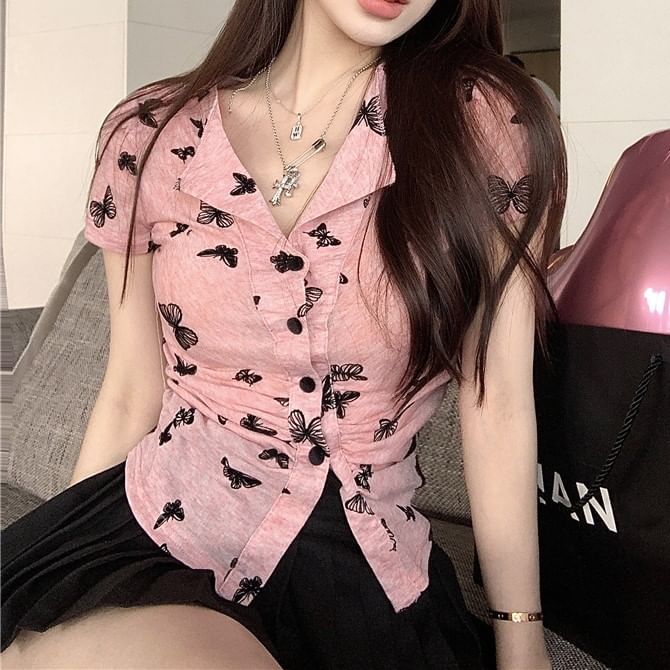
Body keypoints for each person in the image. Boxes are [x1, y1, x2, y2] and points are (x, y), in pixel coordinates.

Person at [1, 1, 566, 668]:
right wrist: (66, 570)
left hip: (362, 570)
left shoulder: (487, 128)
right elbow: (129, 390)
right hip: (162, 533)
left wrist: (522, 638)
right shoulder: (149, 133)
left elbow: (498, 402)